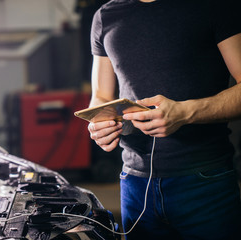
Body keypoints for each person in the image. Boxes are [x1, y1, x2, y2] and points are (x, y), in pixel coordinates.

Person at [87, 0, 241, 239]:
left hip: (204, 180)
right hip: (134, 183)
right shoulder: (106, 16)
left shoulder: (215, 5)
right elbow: (101, 96)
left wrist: (185, 112)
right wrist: (99, 124)